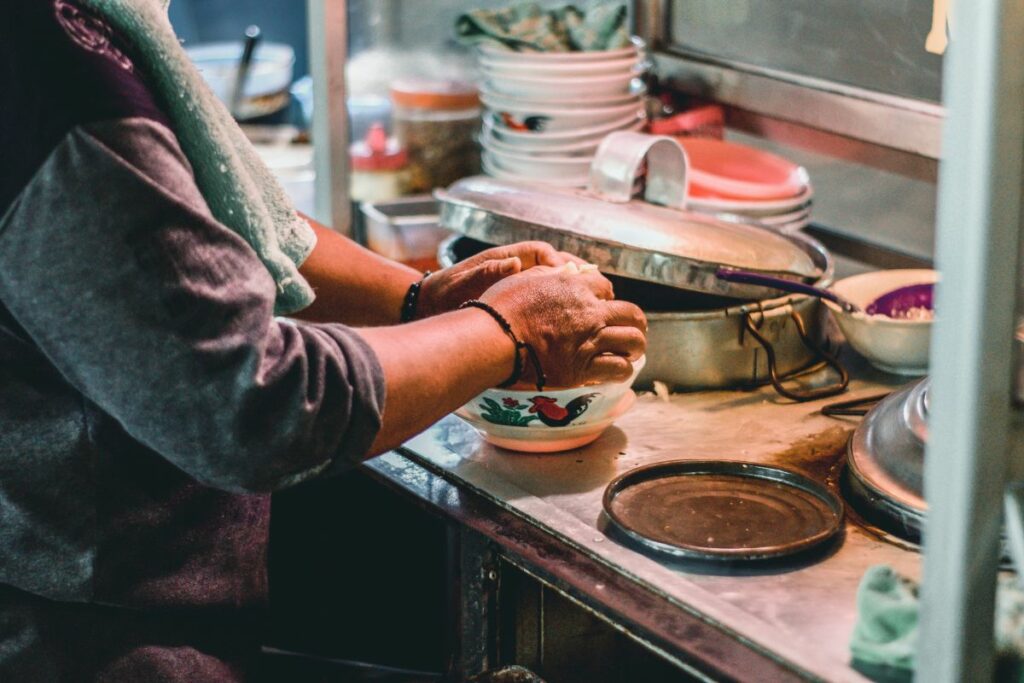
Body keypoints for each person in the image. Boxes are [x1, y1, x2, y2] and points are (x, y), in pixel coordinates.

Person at [0, 1, 647, 680]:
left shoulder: (82, 27)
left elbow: (216, 222)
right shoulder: (48, 68)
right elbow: (248, 402)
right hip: (82, 642)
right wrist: (505, 331)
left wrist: (419, 299)